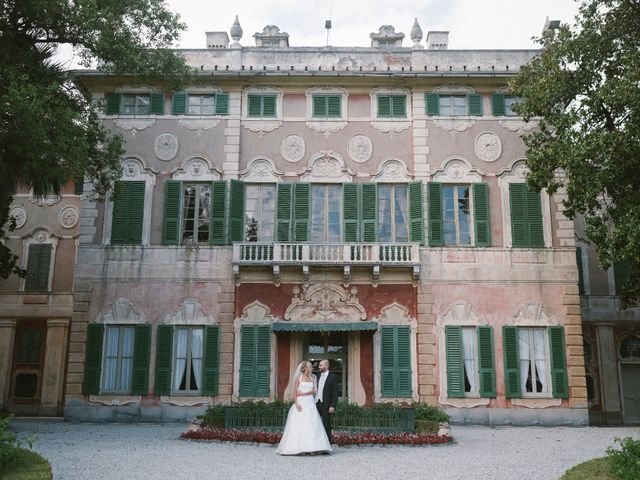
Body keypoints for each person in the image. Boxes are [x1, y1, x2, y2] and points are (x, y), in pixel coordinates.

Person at [276, 361, 332, 455]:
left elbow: (314, 391)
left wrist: (304, 393)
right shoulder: (299, 378)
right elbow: (294, 392)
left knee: (312, 424)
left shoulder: (312, 377)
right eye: (310, 367)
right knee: (300, 424)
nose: (312, 368)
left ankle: (313, 448)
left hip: (310, 402)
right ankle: (299, 448)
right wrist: (297, 403)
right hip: (301, 403)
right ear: (305, 368)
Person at [315, 359, 339, 444]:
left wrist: (333, 405)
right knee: (315, 424)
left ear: (326, 366)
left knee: (326, 425)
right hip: (316, 404)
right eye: (319, 365)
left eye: (321, 365)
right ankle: (317, 443)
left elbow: (335, 393)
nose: (319, 367)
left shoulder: (333, 377)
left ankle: (328, 444)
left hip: (327, 405)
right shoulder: (317, 376)